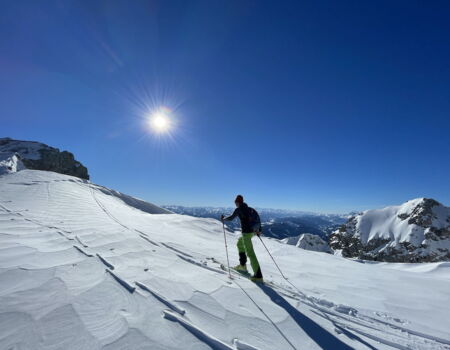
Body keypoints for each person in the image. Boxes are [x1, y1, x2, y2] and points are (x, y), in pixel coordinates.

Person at [221, 195, 263, 282]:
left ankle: (258, 276)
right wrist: (259, 230)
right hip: (253, 232)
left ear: (237, 202)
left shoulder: (239, 209)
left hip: (246, 233)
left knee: (250, 253)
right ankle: (242, 266)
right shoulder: (250, 209)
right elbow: (258, 219)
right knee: (240, 243)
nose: (235, 204)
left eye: (235, 202)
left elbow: (231, 218)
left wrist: (223, 219)